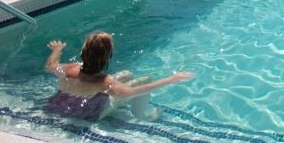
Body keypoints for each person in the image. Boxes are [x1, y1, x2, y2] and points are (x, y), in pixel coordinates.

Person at [44, 32, 194, 121]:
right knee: (144, 82)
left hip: (61, 105)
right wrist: (172, 79)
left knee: (127, 74)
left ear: (84, 51)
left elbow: (50, 66)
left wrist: (57, 49)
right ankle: (143, 116)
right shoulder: (105, 82)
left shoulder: (70, 68)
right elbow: (131, 92)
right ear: (107, 57)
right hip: (87, 114)